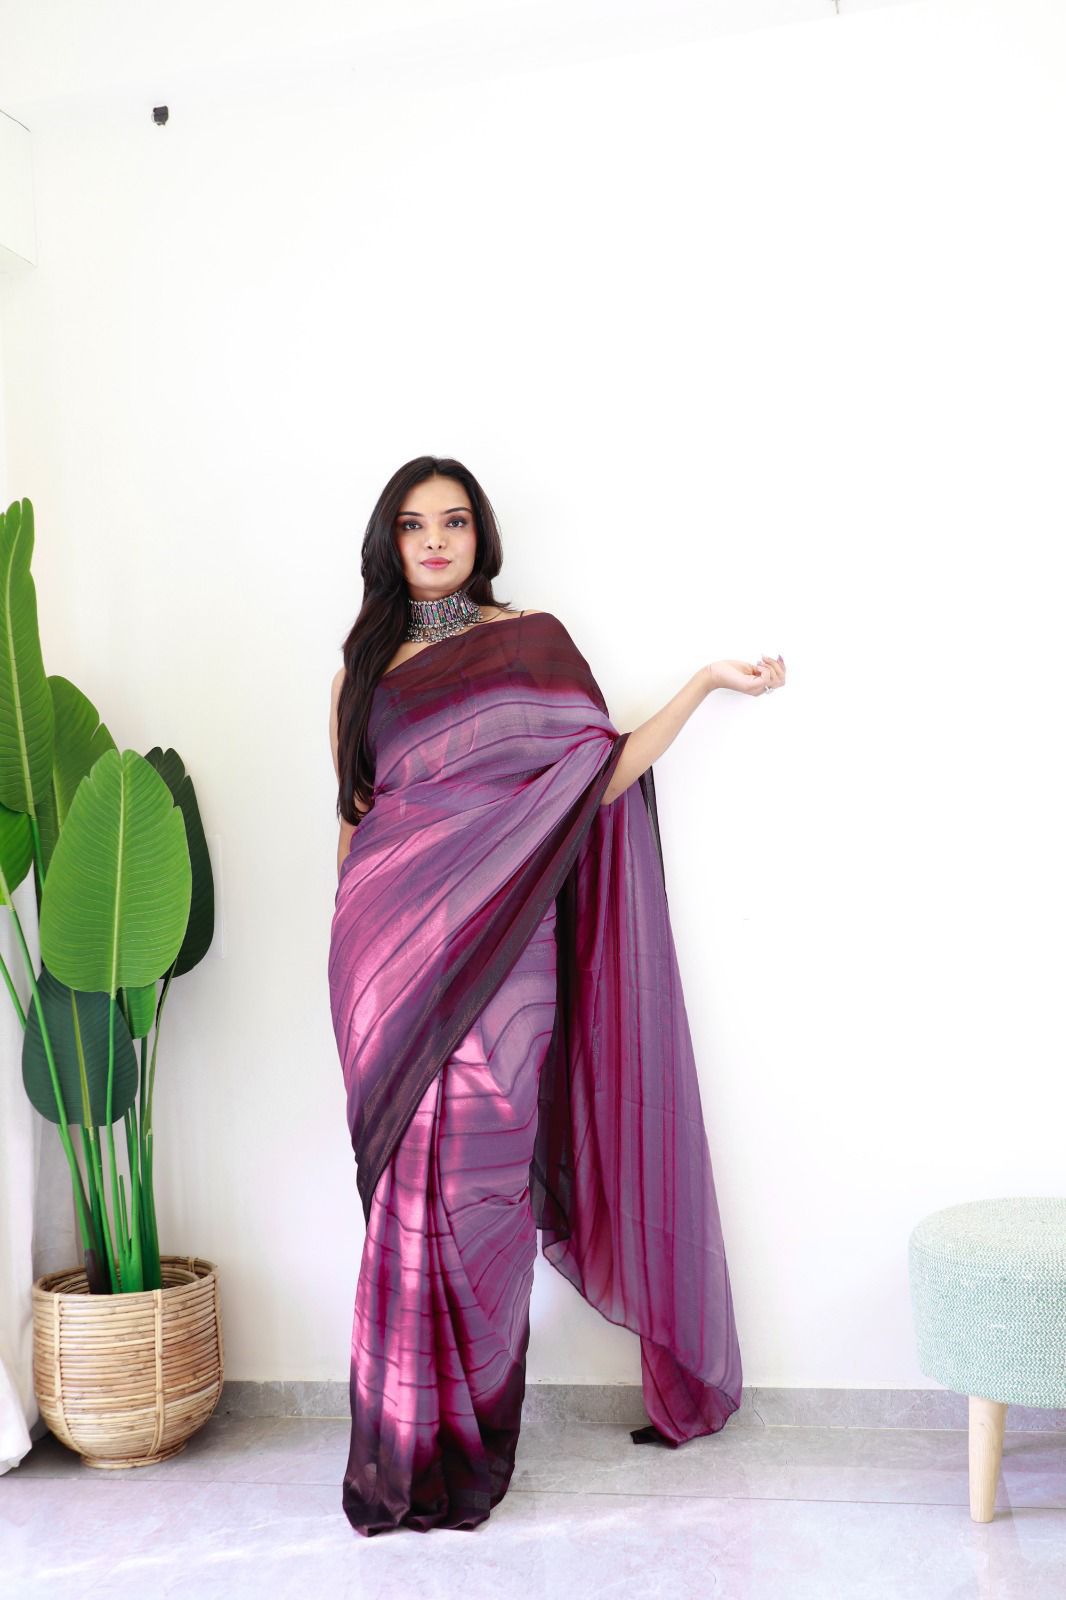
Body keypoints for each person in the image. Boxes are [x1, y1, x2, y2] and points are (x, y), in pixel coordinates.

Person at [328, 455, 785, 1537]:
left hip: (508, 954)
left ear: (480, 535)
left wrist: (701, 685)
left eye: (452, 522)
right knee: (406, 1202)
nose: (434, 541)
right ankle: (402, 1446)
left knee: (483, 1183)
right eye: (413, 525)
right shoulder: (362, 669)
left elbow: (600, 772)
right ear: (390, 542)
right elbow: (352, 821)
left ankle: (469, 1438)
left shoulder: (531, 643)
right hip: (385, 959)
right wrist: (348, 963)